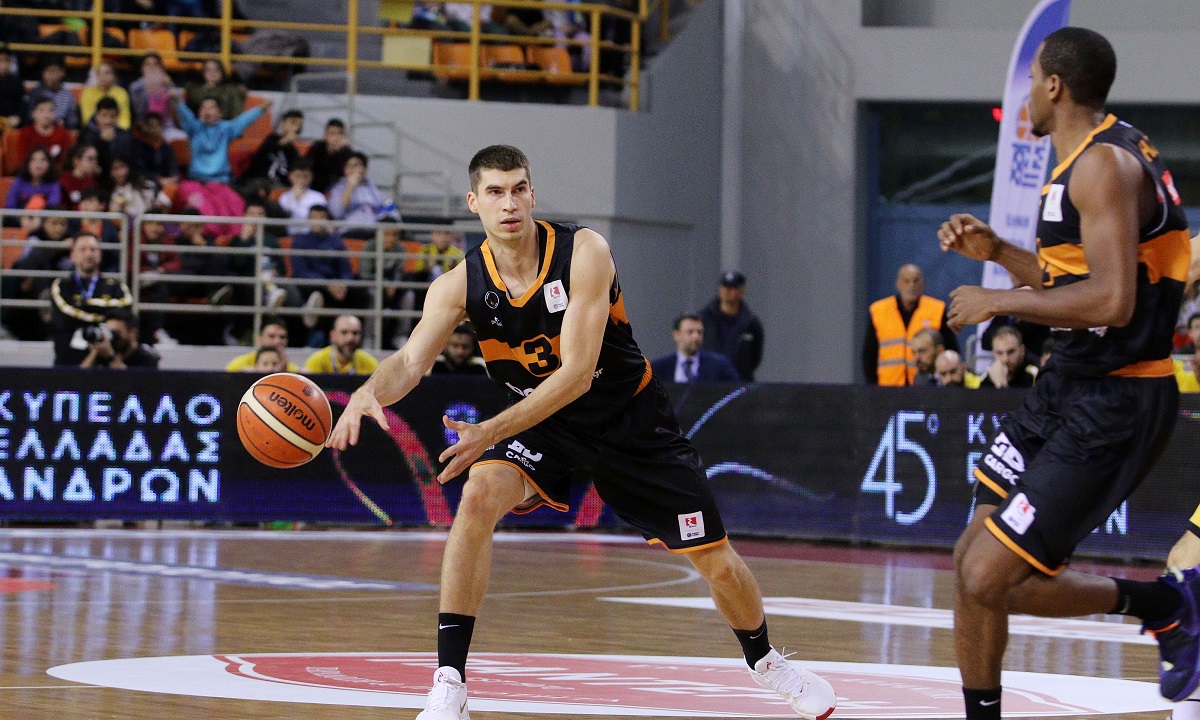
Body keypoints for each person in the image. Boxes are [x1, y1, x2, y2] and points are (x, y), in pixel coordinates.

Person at [327, 145, 836, 720]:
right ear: (474, 203)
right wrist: (369, 391)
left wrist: (488, 430)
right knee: (477, 496)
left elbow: (575, 374)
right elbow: (410, 361)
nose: (509, 203)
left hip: (629, 423)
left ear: (532, 194)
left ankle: (766, 660)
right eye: (495, 192)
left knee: (715, 560)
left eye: (518, 189)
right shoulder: (457, 284)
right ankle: (450, 683)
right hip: (543, 425)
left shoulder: (584, 251)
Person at [936, 28, 1199, 718]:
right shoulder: (1088, 159)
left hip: (1117, 397)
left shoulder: (1102, 166)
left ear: (1054, 86)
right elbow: (1073, 281)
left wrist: (999, 300)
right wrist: (999, 253)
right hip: (1067, 387)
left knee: (990, 576)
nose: (1025, 94)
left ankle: (1165, 604)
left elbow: (1111, 302)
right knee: (969, 566)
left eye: (1031, 81)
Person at [863, 263, 959, 386]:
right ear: (898, 284)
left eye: (916, 281)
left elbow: (951, 350)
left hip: (926, 385)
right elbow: (869, 355)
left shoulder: (937, 309)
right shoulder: (879, 311)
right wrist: (872, 387)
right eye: (906, 281)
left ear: (923, 284)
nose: (911, 286)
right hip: (888, 386)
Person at [49, 233, 132, 366]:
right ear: (72, 255)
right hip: (69, 359)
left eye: (93, 249)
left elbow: (125, 306)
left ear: (100, 255)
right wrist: (104, 322)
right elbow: (66, 314)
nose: (88, 254)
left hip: (108, 357)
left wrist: (82, 305)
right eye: (82, 249)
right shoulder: (61, 285)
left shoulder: (115, 285)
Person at [293, 205, 367, 339]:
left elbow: (346, 270)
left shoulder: (336, 241)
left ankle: (357, 334)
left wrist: (343, 284)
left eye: (322, 217)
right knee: (311, 291)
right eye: (315, 217)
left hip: (336, 285)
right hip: (314, 285)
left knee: (360, 291)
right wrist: (326, 285)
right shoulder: (300, 241)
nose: (318, 221)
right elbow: (301, 272)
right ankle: (314, 335)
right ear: (309, 220)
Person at [175, 95, 267, 184]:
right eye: (203, 108)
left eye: (211, 108)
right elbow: (185, 115)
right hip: (196, 180)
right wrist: (177, 102)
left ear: (220, 113)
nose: (207, 111)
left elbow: (243, 120)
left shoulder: (226, 129)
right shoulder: (193, 128)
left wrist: (261, 108)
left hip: (221, 180)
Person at [699, 271, 764, 381]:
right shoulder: (704, 318)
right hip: (709, 382)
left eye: (732, 287)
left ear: (741, 291)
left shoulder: (750, 323)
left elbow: (755, 356)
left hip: (739, 381)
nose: (727, 291)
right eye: (724, 286)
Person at [650, 313, 740, 383]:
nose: (696, 337)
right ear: (676, 335)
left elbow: (737, 392)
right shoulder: (659, 368)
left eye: (699, 332)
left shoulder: (719, 366)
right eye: (690, 332)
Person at [327, 151, 387, 238]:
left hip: (373, 232)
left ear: (364, 168)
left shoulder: (373, 189)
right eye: (348, 166)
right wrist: (350, 187)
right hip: (349, 232)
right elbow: (337, 213)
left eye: (355, 166)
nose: (351, 169)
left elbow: (386, 210)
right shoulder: (338, 189)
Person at [11, 97, 75, 171]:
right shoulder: (25, 133)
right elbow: (22, 161)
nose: (46, 115)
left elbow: (66, 162)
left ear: (55, 114)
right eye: (42, 110)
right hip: (29, 173)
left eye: (51, 111)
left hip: (55, 174)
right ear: (34, 114)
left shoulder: (63, 134)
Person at [80, 310, 160, 368]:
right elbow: (78, 379)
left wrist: (111, 357)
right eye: (108, 331)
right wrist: (94, 352)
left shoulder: (146, 358)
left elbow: (133, 383)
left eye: (115, 332)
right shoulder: (100, 355)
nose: (111, 337)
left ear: (132, 333)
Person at [75, 96, 135, 175]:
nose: (108, 121)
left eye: (112, 116)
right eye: (104, 115)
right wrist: (101, 142)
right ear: (96, 115)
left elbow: (128, 160)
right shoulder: (86, 134)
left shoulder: (124, 135)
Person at [303, 314, 379, 375]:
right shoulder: (316, 362)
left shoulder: (370, 364)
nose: (350, 338)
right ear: (332, 335)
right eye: (344, 332)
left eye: (355, 333)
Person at [246, 108, 304, 186]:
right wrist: (285, 140)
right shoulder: (272, 139)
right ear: (282, 125)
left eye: (300, 125)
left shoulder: (293, 152)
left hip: (280, 187)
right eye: (293, 123)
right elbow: (262, 155)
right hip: (258, 182)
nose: (297, 128)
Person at [21, 58, 80, 130]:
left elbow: (73, 120)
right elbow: (28, 118)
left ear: (62, 72)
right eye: (47, 71)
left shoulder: (68, 95)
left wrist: (65, 122)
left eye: (53, 71)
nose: (50, 75)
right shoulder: (35, 93)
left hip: (60, 132)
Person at [226, 317, 300, 372]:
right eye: (271, 336)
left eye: (282, 337)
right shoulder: (237, 367)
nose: (277, 341)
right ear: (259, 339)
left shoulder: (291, 370)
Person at [977, 324, 1036, 389]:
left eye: (1011, 352)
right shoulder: (988, 378)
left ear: (1022, 351)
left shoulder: (1034, 376)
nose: (1005, 359)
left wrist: (1001, 384)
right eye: (999, 353)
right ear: (993, 354)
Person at [277, 158, 325, 235]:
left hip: (311, 236)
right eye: (298, 176)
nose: (302, 180)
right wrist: (296, 199)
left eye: (305, 176)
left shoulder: (319, 197)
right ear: (290, 176)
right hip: (289, 235)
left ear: (311, 176)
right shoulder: (284, 197)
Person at [131, 111, 180, 184]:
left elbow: (172, 167)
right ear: (145, 127)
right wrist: (158, 179)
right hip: (148, 182)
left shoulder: (166, 147)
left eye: (158, 125)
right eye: (152, 126)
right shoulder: (139, 146)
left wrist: (173, 177)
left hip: (168, 182)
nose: (156, 128)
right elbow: (141, 170)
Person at [80, 62, 132, 130]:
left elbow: (125, 119)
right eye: (99, 73)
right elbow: (87, 119)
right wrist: (100, 132)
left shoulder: (121, 93)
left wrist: (118, 131)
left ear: (115, 76)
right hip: (94, 131)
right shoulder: (88, 93)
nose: (103, 76)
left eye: (107, 73)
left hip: (116, 131)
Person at [305, 118, 352, 193]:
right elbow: (323, 170)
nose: (336, 137)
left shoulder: (346, 152)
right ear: (325, 136)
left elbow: (345, 174)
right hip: (316, 187)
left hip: (339, 189)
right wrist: (337, 153)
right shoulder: (317, 148)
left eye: (340, 133)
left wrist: (342, 151)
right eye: (332, 134)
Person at [58, 145, 101, 210]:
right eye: (90, 159)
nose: (94, 162)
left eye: (95, 159)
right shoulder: (62, 180)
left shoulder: (93, 182)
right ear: (76, 161)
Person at [0, 43, 24, 131]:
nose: (3, 65)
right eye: (0, 60)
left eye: (6, 60)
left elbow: (22, 104)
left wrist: (18, 117)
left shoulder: (16, 82)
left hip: (9, 125)